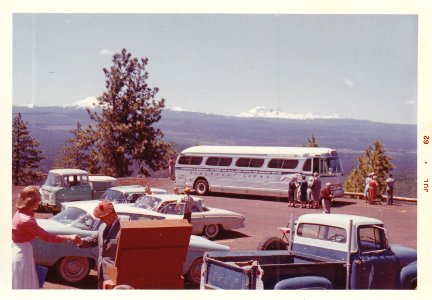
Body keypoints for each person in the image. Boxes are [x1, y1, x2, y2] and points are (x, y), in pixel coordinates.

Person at [12, 185, 80, 289]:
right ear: (31, 201)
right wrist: (69, 237)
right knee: (24, 285)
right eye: (38, 199)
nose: (40, 201)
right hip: (22, 253)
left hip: (17, 250)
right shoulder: (27, 220)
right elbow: (47, 237)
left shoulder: (19, 213)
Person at [77, 200, 121, 289]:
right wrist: (80, 241)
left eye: (102, 217)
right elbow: (93, 239)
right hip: (101, 270)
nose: (100, 220)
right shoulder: (103, 226)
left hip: (113, 272)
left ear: (111, 215)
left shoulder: (123, 228)